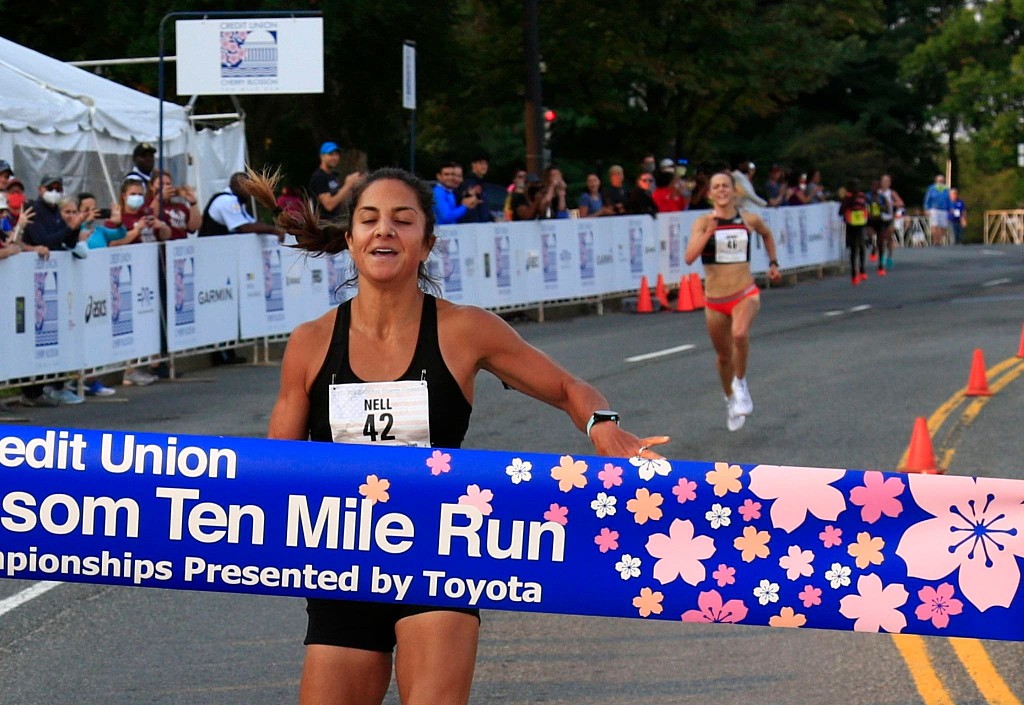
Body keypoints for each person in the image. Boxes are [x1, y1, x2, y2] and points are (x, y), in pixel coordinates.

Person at [252, 166, 668, 705]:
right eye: (369, 219)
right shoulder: (310, 343)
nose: (384, 230)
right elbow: (273, 468)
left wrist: (602, 425)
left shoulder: (464, 330)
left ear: (427, 243)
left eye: (403, 220)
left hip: (438, 553)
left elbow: (568, 388)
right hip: (344, 563)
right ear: (350, 240)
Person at [685, 172, 780, 432]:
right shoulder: (703, 222)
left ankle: (741, 382)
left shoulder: (749, 219)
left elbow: (767, 234)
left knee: (739, 334)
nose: (721, 190)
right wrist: (709, 232)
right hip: (715, 300)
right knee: (723, 356)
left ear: (734, 190)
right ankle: (730, 398)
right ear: (710, 193)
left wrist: (773, 263)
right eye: (716, 187)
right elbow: (689, 257)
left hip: (744, 292)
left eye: (725, 186)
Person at [198, 172, 285, 238]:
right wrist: (273, 230)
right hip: (211, 248)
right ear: (240, 186)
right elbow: (244, 227)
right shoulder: (228, 201)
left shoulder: (236, 201)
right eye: (247, 188)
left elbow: (252, 223)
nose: (249, 193)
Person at [22, 174, 90, 259]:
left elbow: (70, 243)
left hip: (55, 261)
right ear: (40, 189)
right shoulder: (32, 209)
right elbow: (42, 241)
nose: (54, 192)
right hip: (33, 261)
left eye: (58, 189)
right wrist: (69, 228)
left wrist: (76, 226)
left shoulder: (57, 210)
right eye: (50, 188)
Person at [309, 141, 362, 220]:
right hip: (323, 223)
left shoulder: (331, 176)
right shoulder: (319, 177)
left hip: (334, 221)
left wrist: (353, 185)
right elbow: (329, 205)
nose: (334, 157)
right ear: (322, 156)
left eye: (336, 154)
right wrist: (347, 185)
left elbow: (338, 198)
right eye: (330, 154)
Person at [151, 170, 201, 239]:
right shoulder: (148, 204)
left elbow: (193, 228)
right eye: (161, 184)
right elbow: (150, 216)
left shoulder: (180, 206)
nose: (165, 187)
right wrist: (159, 198)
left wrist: (193, 203)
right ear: (151, 186)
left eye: (168, 184)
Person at [839, 181, 870, 285]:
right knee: (856, 248)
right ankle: (856, 272)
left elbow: (869, 206)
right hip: (853, 226)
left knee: (859, 247)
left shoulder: (861, 197)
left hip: (859, 225)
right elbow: (841, 211)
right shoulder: (849, 198)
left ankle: (860, 270)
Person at [878, 174, 903, 270]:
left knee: (889, 238)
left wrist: (892, 203)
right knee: (880, 239)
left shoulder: (891, 193)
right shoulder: (878, 192)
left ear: (889, 183)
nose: (885, 183)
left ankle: (889, 257)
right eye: (883, 181)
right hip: (879, 218)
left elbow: (901, 203)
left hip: (889, 218)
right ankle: (882, 257)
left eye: (887, 181)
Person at [923, 174, 951, 246]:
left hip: (944, 210)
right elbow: (927, 199)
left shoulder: (946, 189)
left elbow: (949, 200)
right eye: (939, 180)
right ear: (936, 181)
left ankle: (939, 239)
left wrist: (950, 208)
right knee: (934, 225)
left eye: (941, 180)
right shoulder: (932, 188)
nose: (940, 182)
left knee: (943, 226)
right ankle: (936, 241)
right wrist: (926, 208)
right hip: (934, 209)